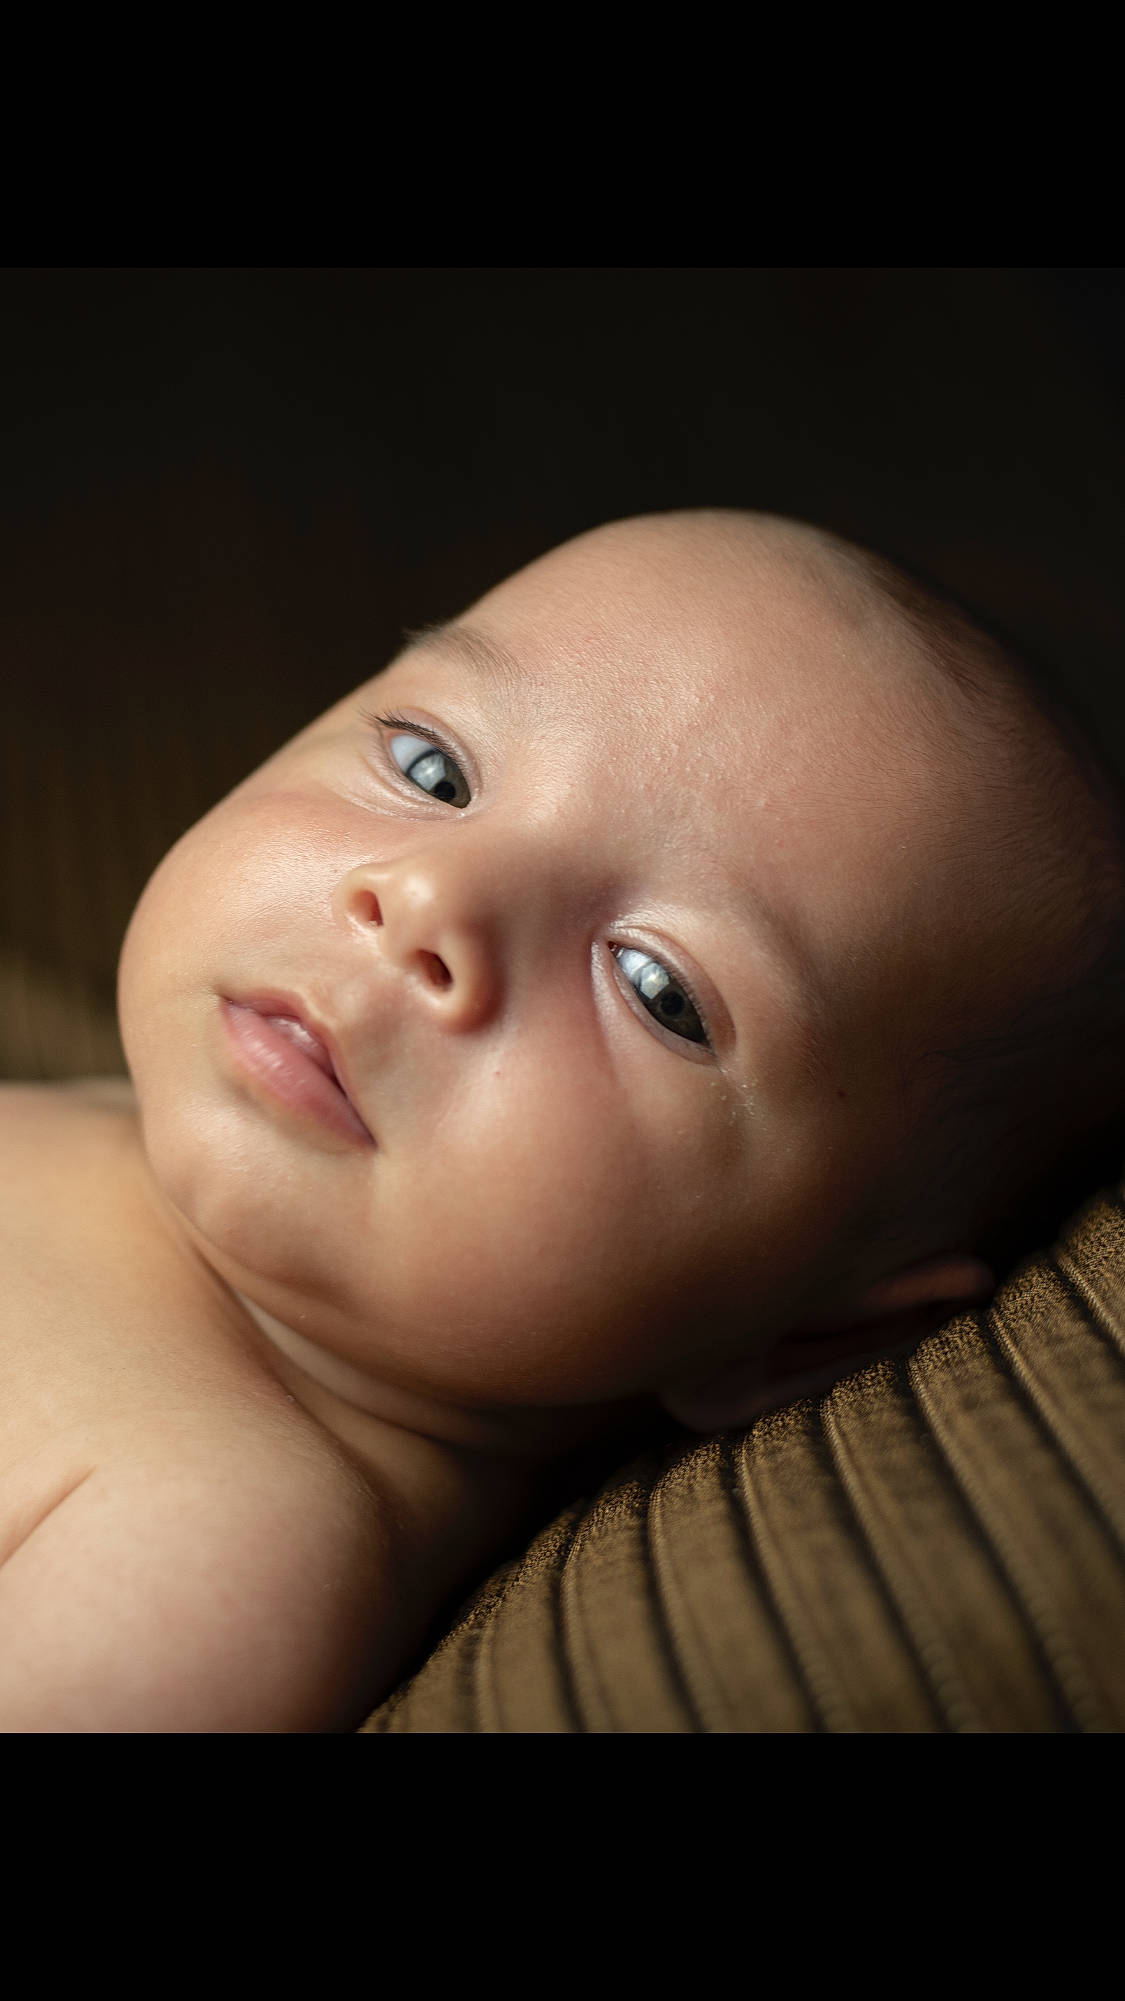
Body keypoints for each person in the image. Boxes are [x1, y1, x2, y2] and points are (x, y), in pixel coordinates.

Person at [2, 509, 1123, 1731]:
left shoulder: (215, 1551)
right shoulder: (125, 1144)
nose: (428, 900)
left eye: (659, 991)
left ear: (806, 1340)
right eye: (433, 767)